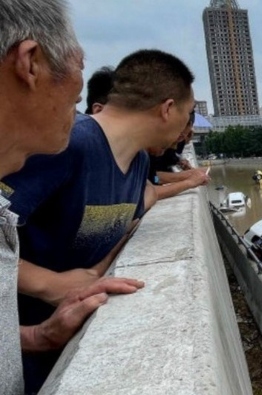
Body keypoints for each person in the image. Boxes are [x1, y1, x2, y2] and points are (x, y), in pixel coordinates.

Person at [4, 48, 193, 391]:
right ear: (167, 109)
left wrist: (95, 274)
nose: (185, 131)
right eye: (188, 114)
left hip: (56, 348)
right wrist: (50, 284)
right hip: (19, 348)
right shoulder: (68, 144)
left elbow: (133, 211)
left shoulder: (136, 163)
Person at [0, 1, 143, 393]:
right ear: (31, 64)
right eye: (78, 63)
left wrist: (39, 336)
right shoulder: (77, 147)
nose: (77, 109)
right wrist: (49, 284)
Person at [84, 66, 209, 199]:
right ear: (98, 112)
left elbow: (150, 186)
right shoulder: (77, 149)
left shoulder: (139, 158)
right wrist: (187, 180)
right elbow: (153, 182)